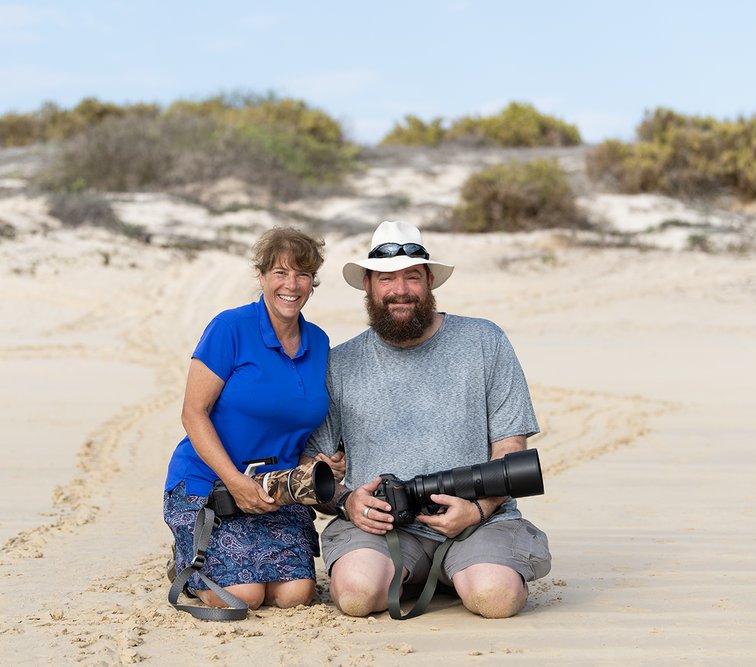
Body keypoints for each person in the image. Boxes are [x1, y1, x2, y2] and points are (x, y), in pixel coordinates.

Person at [305, 219, 551, 619]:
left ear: (430, 281)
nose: (399, 290)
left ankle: (464, 569)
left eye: (411, 277)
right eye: (386, 279)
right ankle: (411, 572)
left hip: (477, 517)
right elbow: (313, 467)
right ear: (367, 285)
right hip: (381, 526)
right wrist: (349, 503)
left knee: (495, 599)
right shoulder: (340, 363)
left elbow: (509, 447)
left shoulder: (484, 341)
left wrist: (479, 510)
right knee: (356, 596)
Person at [163, 226, 342, 610]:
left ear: (313, 282)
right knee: (242, 598)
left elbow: (304, 428)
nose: (291, 284)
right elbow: (193, 414)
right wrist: (234, 481)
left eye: (302, 274)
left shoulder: (320, 342)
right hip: (211, 485)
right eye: (279, 272)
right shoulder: (230, 328)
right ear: (261, 277)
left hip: (278, 492)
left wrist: (320, 464)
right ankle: (186, 561)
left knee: (295, 595)